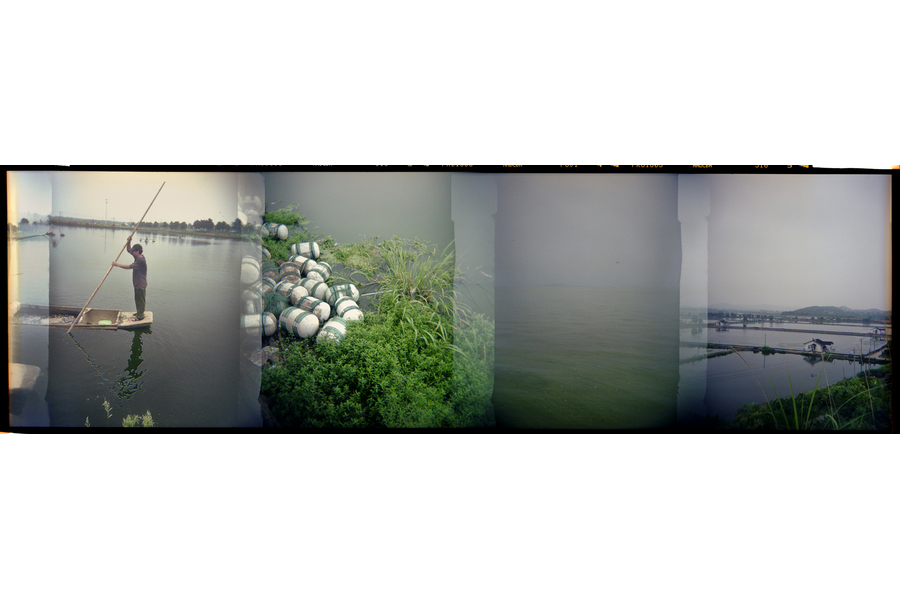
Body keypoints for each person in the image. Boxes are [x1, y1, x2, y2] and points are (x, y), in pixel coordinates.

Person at [112, 236, 147, 321]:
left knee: (140, 300)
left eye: (134, 251)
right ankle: (139, 312)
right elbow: (128, 250)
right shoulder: (137, 257)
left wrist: (117, 264)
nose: (132, 252)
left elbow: (129, 267)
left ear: (137, 251)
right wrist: (129, 241)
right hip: (137, 283)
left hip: (141, 284)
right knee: (137, 299)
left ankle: (140, 316)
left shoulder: (141, 261)